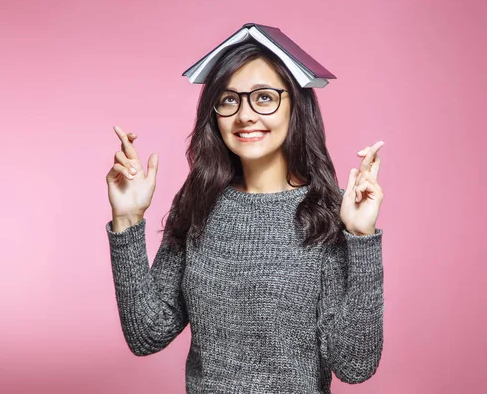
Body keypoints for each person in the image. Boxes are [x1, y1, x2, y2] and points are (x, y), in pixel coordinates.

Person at [104, 41, 384, 393]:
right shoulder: (196, 203)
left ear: (296, 106)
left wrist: (361, 238)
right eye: (228, 99)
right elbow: (148, 333)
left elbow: (355, 365)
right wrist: (127, 219)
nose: (244, 115)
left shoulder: (328, 212)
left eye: (264, 97)